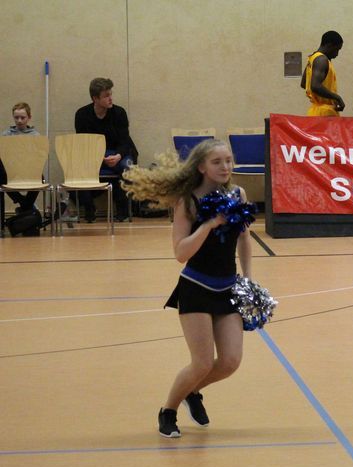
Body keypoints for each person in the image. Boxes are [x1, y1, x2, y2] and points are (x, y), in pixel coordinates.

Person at [122, 140, 253, 438]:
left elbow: (244, 238)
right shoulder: (188, 201)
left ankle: (192, 392)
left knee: (230, 362)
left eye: (229, 160)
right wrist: (207, 225)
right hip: (196, 287)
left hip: (228, 287)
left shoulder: (238, 194)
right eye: (217, 162)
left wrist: (248, 279)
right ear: (201, 167)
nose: (225, 167)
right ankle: (168, 411)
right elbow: (180, 253)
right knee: (202, 363)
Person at [74, 77, 138, 222]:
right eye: (106, 96)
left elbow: (125, 140)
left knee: (127, 167)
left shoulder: (119, 112)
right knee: (78, 168)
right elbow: (83, 142)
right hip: (93, 154)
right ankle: (89, 208)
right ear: (95, 98)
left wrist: (118, 156)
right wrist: (99, 157)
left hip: (118, 152)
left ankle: (123, 210)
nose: (110, 98)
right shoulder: (82, 115)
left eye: (111, 94)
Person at [1, 103, 40, 212]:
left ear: (29, 118)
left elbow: (38, 157)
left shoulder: (35, 135)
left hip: (28, 170)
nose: (19, 120)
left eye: (22, 117)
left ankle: (24, 207)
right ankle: (24, 203)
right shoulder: (6, 135)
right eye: (16, 117)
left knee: (41, 178)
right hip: (10, 171)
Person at [301, 31, 345, 116]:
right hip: (323, 113)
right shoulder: (322, 60)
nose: (337, 54)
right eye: (337, 49)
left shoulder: (313, 58)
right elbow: (315, 86)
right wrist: (337, 97)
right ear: (329, 45)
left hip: (314, 111)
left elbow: (304, 84)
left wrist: (329, 96)